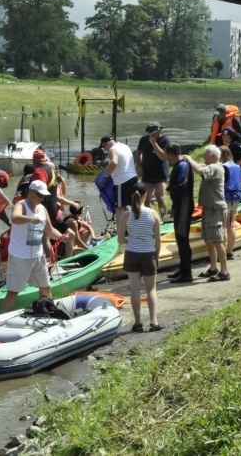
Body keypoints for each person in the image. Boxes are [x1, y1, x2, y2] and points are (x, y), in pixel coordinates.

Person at [1, 180, 62, 314]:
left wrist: (61, 236)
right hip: (19, 256)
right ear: (32, 193)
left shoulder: (43, 209)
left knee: (45, 288)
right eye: (40, 196)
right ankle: (0, 319)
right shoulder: (20, 205)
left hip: (38, 256)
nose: (43, 199)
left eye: (44, 196)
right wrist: (30, 219)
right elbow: (15, 218)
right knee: (13, 292)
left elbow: (50, 230)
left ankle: (50, 313)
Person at [117, 182, 164, 333]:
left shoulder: (125, 215)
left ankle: (137, 323)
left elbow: (120, 239)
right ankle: (154, 322)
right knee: (151, 289)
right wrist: (156, 257)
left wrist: (132, 240)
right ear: (145, 196)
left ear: (132, 196)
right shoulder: (153, 214)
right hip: (148, 253)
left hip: (131, 253)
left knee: (135, 289)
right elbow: (158, 240)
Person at [183, 145, 229, 282]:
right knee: (209, 240)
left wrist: (190, 159)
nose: (204, 157)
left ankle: (224, 271)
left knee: (217, 241)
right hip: (209, 209)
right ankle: (213, 268)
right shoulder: (214, 166)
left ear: (213, 156)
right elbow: (201, 166)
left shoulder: (215, 167)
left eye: (206, 155)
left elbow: (200, 170)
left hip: (215, 209)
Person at [32, 149, 79, 257]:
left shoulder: (39, 171)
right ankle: (67, 259)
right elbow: (57, 196)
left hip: (45, 212)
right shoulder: (51, 170)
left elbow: (38, 190)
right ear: (45, 158)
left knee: (45, 238)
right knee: (70, 234)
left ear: (33, 160)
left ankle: (51, 263)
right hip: (54, 212)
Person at [165, 144, 195, 283]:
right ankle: (182, 269)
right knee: (179, 238)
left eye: (167, 156)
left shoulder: (183, 165)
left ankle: (187, 273)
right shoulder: (179, 165)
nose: (167, 159)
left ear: (171, 155)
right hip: (179, 205)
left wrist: (169, 189)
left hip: (184, 206)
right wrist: (173, 206)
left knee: (183, 239)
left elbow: (183, 184)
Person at [99, 135, 138, 224]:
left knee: (119, 207)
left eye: (104, 147)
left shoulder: (112, 149)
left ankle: (120, 231)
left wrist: (105, 177)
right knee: (133, 204)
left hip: (121, 181)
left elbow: (114, 162)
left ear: (107, 143)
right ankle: (135, 225)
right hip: (133, 177)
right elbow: (122, 160)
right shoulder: (125, 146)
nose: (105, 149)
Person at [135, 122, 171, 219]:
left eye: (153, 132)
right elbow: (138, 153)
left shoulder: (165, 140)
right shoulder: (143, 139)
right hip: (147, 173)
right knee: (145, 198)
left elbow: (163, 157)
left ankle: (164, 216)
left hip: (160, 173)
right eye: (149, 132)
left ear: (159, 130)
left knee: (161, 198)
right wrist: (139, 166)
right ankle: (149, 218)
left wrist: (154, 143)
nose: (151, 135)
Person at [220, 146, 241, 260]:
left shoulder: (223, 167)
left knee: (222, 227)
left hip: (226, 199)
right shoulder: (238, 167)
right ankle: (229, 252)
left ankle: (222, 254)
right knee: (230, 226)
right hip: (236, 198)